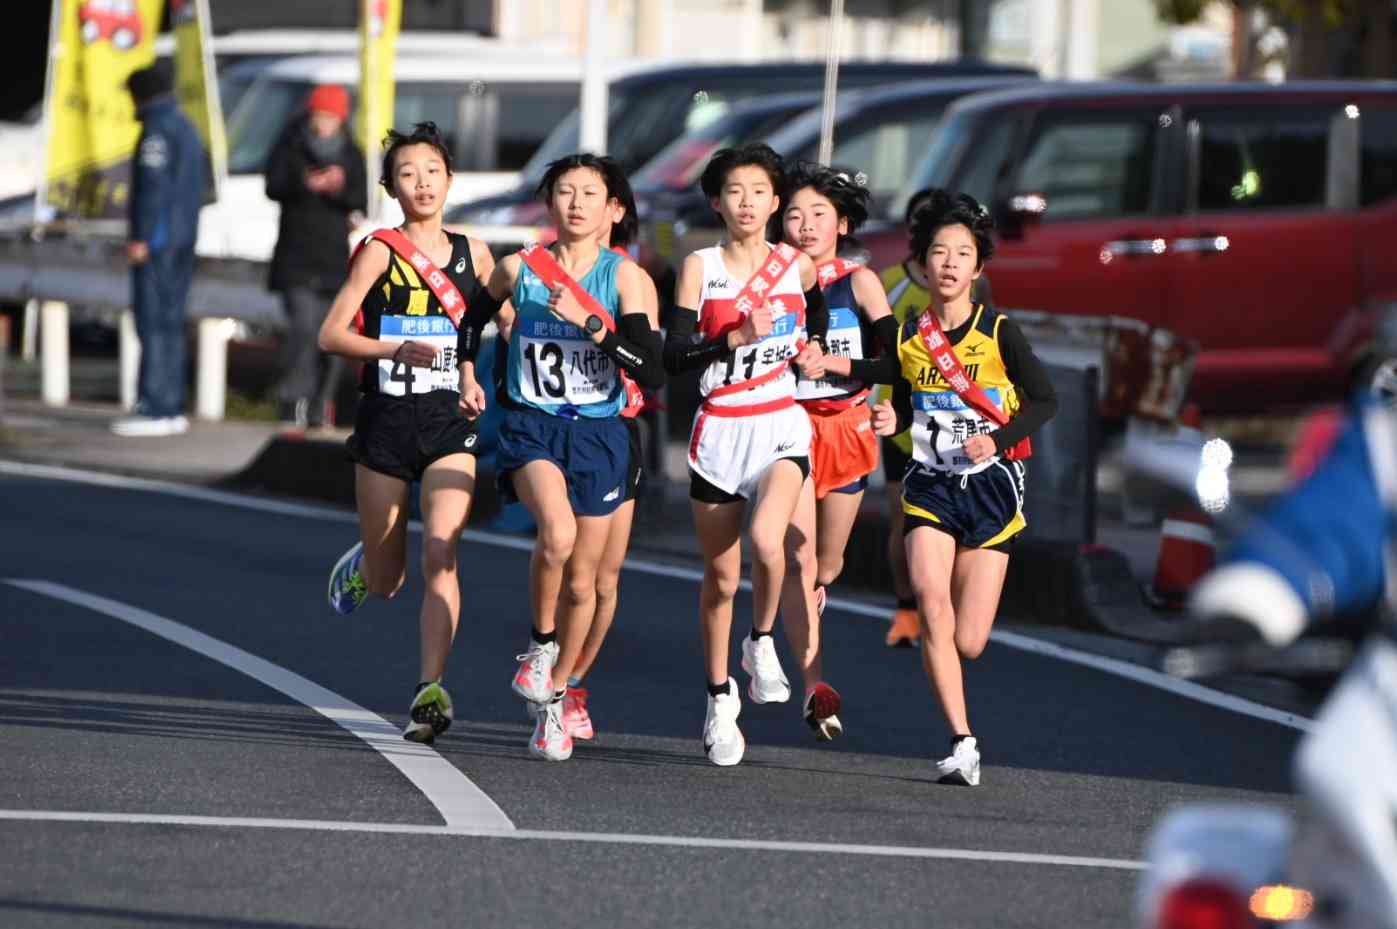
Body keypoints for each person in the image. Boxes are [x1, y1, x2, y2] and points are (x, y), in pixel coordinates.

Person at [480, 154, 664, 762]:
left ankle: (558, 697)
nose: (576, 203)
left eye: (590, 193)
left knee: (588, 583)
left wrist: (595, 329)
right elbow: (469, 316)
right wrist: (465, 366)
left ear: (614, 209)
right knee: (555, 534)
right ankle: (539, 649)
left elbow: (652, 368)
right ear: (549, 203)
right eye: (564, 191)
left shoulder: (627, 279)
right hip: (533, 426)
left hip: (602, 434)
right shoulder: (519, 269)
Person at [318, 122, 495, 744]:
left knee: (442, 552)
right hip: (388, 420)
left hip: (450, 422)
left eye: (431, 171)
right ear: (391, 186)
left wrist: (470, 374)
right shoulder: (380, 250)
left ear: (449, 179)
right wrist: (394, 346)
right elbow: (332, 334)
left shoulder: (477, 251)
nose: (421, 182)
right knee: (391, 578)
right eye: (407, 173)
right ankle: (367, 559)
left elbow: (479, 330)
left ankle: (430, 689)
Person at [871, 190, 1056, 786]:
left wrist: (997, 441)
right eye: (938, 252)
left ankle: (960, 709)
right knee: (931, 602)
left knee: (968, 640)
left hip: (993, 488)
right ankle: (962, 739)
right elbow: (902, 406)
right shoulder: (908, 335)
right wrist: (889, 421)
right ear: (921, 265)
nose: (949, 263)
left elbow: (1045, 402)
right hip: (930, 484)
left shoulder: (1000, 332)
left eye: (963, 253)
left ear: (978, 268)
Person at [663, 143, 827, 766]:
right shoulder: (700, 267)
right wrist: (733, 337)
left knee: (769, 541)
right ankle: (718, 698)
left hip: (779, 423)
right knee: (722, 577)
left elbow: (813, 329)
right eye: (735, 191)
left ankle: (760, 642)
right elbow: (673, 357)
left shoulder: (798, 267)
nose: (748, 202)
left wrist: (810, 354)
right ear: (717, 201)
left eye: (760, 191)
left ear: (775, 200)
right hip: (720, 431)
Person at [778, 163, 899, 740]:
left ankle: (807, 602)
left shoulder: (860, 282)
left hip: (848, 429)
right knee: (798, 559)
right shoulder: (770, 279)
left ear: (843, 223)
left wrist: (884, 401)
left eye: (819, 215)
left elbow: (894, 360)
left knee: (827, 564)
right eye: (795, 214)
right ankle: (813, 685)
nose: (805, 226)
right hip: (787, 429)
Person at [112, 60, 207, 438]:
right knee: (171, 323)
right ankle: (171, 407)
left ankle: (154, 406)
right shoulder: (185, 126)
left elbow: (153, 191)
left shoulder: (156, 131)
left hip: (159, 242)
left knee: (153, 323)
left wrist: (142, 238)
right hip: (183, 238)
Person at [266, 84, 367, 429]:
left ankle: (320, 404)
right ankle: (292, 401)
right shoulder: (290, 144)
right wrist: (303, 182)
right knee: (303, 329)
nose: (323, 124)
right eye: (319, 116)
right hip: (295, 256)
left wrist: (339, 187)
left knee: (331, 334)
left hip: (333, 258)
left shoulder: (352, 153)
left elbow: (361, 198)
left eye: (330, 118)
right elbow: (272, 185)